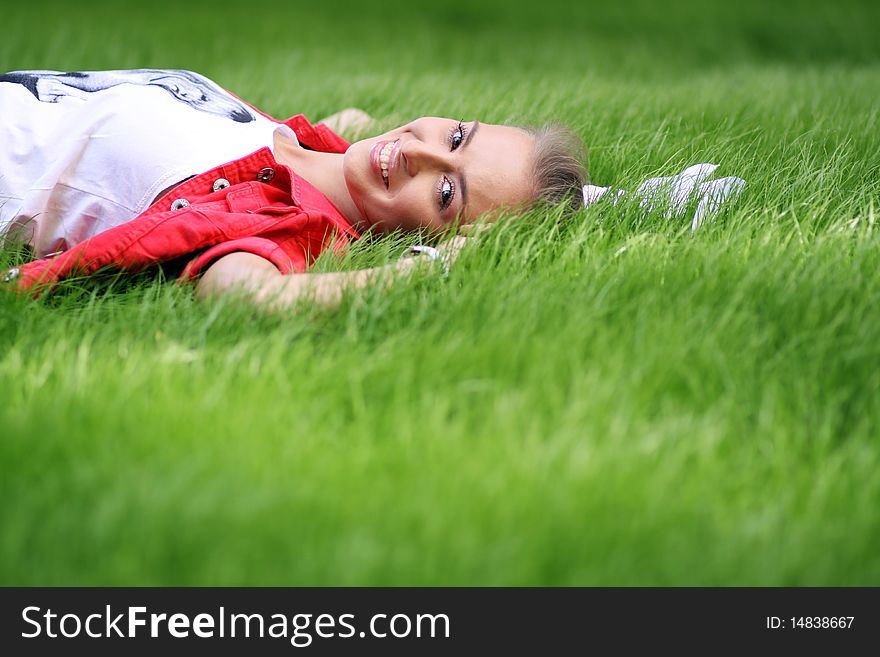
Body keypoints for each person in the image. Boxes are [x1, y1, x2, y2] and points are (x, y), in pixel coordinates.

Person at [0, 69, 587, 310]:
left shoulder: (292, 224)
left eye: (445, 194)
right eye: (457, 137)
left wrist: (414, 272)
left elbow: (243, 293)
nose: (418, 153)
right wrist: (344, 129)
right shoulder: (301, 145)